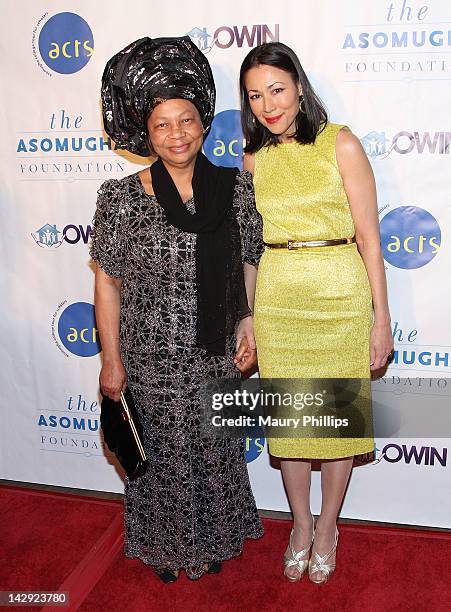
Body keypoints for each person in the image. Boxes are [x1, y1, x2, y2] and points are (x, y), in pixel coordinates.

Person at [91, 36, 264, 583]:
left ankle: (212, 541)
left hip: (214, 354)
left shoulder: (233, 187)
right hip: (150, 356)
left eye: (185, 120)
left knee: (214, 455)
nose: (176, 135)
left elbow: (249, 264)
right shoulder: (120, 198)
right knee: (161, 462)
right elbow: (107, 286)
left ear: (204, 121)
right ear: (146, 132)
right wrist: (110, 361)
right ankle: (166, 548)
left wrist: (247, 320)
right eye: (162, 124)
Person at [239, 42, 393, 584]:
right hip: (280, 297)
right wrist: (250, 314)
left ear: (299, 87)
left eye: (277, 90)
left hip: (339, 294)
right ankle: (299, 526)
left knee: (333, 424)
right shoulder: (254, 158)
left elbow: (371, 240)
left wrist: (381, 317)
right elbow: (252, 247)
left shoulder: (341, 144)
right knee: (293, 425)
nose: (268, 104)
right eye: (255, 95)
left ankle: (328, 526)